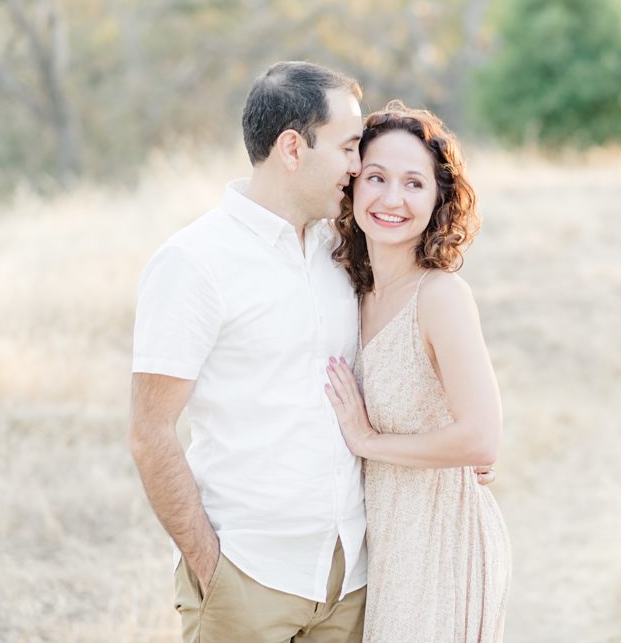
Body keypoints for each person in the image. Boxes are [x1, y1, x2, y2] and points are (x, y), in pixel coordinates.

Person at [128, 61, 493, 643]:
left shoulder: (343, 250)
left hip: (355, 577)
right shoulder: (195, 263)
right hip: (250, 576)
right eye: (350, 148)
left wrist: (455, 442)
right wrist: (210, 566)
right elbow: (150, 432)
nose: (357, 167)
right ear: (293, 148)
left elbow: (410, 363)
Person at [325, 101, 511, 642]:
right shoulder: (348, 293)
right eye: (377, 177)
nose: (391, 199)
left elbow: (482, 437)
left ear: (438, 200)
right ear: (353, 186)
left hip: (441, 540)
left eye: (414, 184)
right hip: (380, 545)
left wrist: (368, 440)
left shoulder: (440, 296)